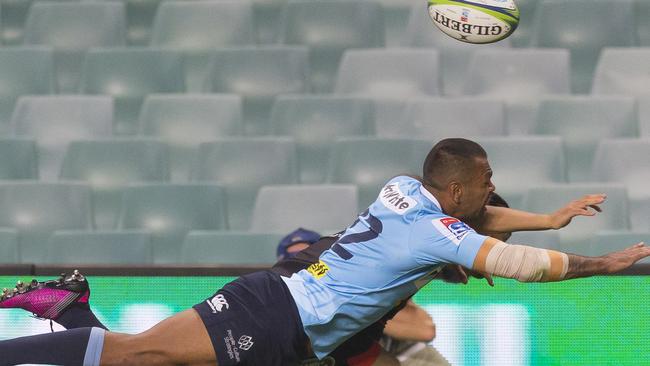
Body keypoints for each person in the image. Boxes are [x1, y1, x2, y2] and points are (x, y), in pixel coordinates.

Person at [1, 138, 648, 366]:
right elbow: (523, 265)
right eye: (483, 184)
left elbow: (483, 213)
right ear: (455, 190)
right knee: (134, 356)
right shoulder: (439, 234)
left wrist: (547, 218)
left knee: (139, 363)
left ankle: (68, 307)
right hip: (277, 314)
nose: (489, 194)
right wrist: (604, 262)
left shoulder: (404, 191)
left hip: (287, 322)